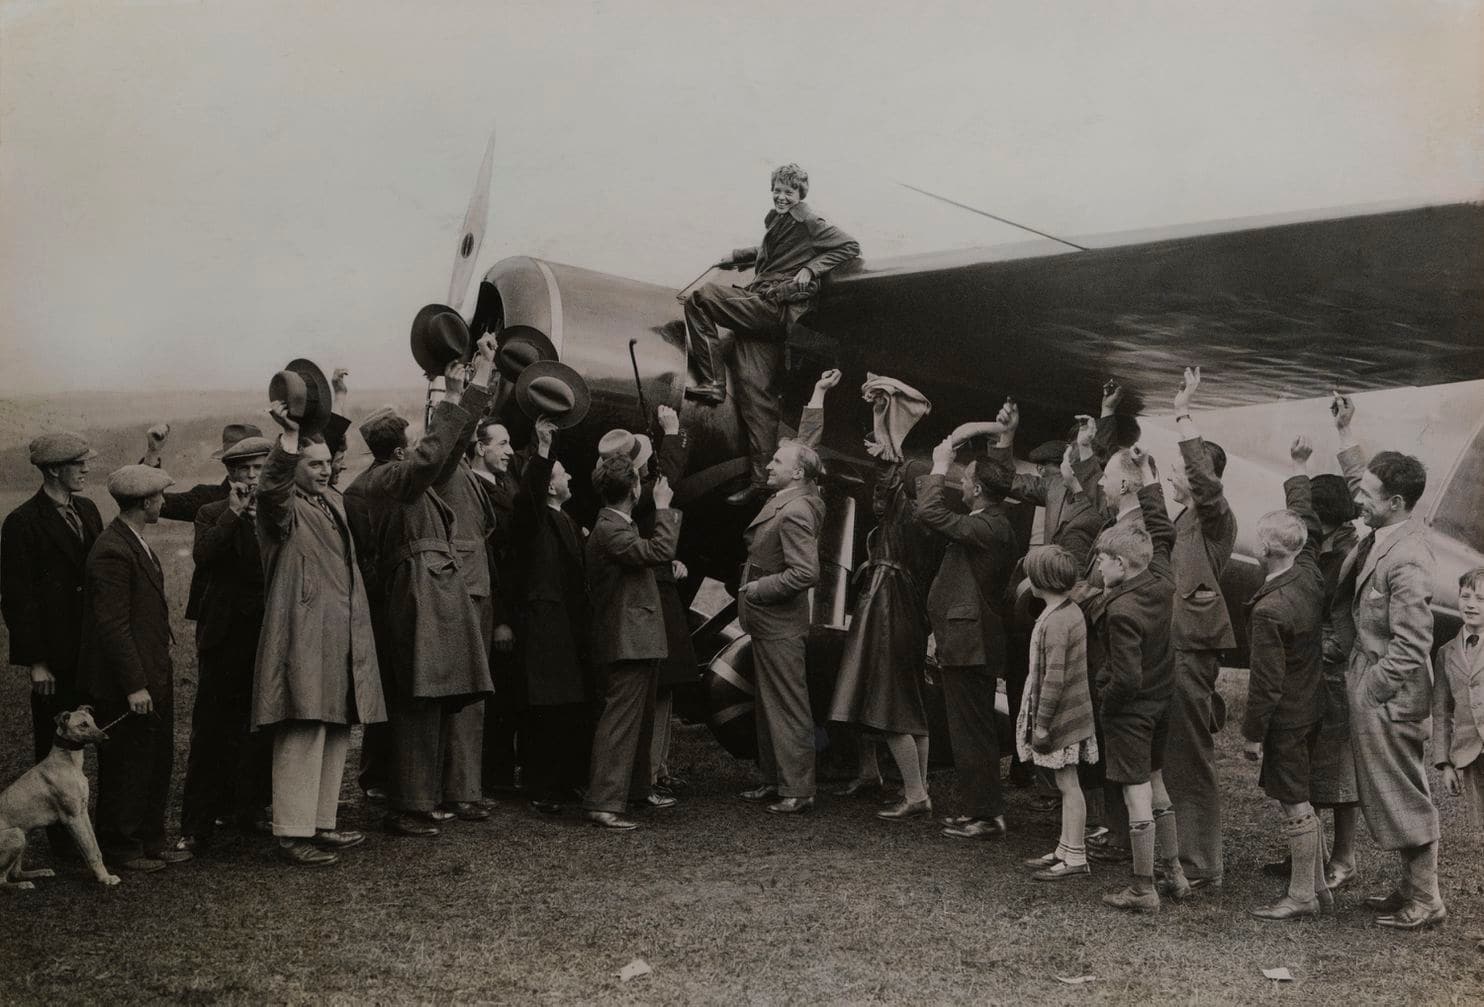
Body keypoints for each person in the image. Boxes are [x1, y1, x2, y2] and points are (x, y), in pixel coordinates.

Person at [345, 343, 498, 838]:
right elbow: (434, 454)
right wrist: (460, 391)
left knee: (428, 698)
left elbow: (447, 451)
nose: (417, 447)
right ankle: (409, 804)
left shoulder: (396, 477)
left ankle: (419, 798)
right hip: (416, 593)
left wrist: (472, 389)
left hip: (425, 590)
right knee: (417, 699)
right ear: (396, 449)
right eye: (411, 441)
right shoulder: (389, 478)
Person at [682, 163, 861, 505]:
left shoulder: (808, 218)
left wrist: (812, 269)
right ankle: (763, 481)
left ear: (800, 194)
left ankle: (712, 382)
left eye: (788, 192)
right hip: (765, 314)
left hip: (772, 305)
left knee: (702, 299)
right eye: (777, 190)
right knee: (756, 396)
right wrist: (738, 255)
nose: (781, 196)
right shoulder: (780, 218)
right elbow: (773, 253)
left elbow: (849, 246)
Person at [254, 399, 385, 867]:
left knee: (333, 726)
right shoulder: (280, 508)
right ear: (296, 467)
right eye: (315, 464)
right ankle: (292, 833)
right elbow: (270, 487)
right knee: (303, 726)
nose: (326, 471)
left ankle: (321, 822)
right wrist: (288, 439)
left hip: (340, 631)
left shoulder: (331, 501)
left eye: (329, 462)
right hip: (303, 633)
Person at [1331, 393, 1445, 930]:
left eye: (1371, 495)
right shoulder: (1387, 530)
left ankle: (1427, 900)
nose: (1360, 500)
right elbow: (1365, 482)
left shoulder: (1409, 558)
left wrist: (1371, 689)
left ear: (1396, 503)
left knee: (1402, 790)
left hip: (1390, 694)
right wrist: (1347, 435)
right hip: (1376, 685)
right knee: (1389, 788)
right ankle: (1410, 891)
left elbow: (1412, 644)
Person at [823, 370, 946, 819]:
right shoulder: (923, 515)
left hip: (888, 602)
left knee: (888, 698)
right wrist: (882, 417)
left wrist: (885, 422)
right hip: (900, 601)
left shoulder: (906, 512)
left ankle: (915, 794)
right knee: (903, 696)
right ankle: (911, 786)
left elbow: (889, 482)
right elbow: (890, 477)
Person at [1086, 448, 1189, 912]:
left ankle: (1143, 886)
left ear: (1123, 566)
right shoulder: (1160, 577)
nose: (1100, 566)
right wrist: (1149, 481)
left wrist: (1105, 704)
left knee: (1136, 796)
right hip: (1161, 703)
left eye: (1104, 560)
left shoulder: (1121, 610)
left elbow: (1125, 676)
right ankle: (1175, 872)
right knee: (1157, 783)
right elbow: (1163, 532)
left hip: (1131, 711)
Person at [76, 464, 192, 873]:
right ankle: (122, 848)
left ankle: (149, 840)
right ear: (146, 502)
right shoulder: (112, 549)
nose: (163, 502)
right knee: (127, 763)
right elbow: (112, 626)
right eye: (159, 497)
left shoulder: (131, 541)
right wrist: (135, 686)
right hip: (131, 683)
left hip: (151, 675)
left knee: (155, 758)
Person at [1154, 367, 1237, 892]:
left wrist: (1184, 412)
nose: (1175, 472)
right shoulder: (1186, 520)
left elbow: (1204, 484)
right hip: (1176, 644)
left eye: (1183, 467)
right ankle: (1182, 856)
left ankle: (1201, 863)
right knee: (1175, 751)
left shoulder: (1212, 516)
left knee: (1189, 753)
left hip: (1191, 646)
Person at [0, 433, 104, 859]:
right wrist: (37, 661)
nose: (85, 470)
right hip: (54, 656)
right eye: (78, 464)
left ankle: (97, 826)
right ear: (53, 470)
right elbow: (17, 597)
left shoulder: (90, 510)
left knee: (94, 732)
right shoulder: (21, 523)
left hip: (92, 650)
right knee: (55, 737)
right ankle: (64, 840)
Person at [1241, 437, 1330, 920]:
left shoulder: (1269, 610)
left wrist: (1254, 735)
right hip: (1311, 705)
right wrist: (1299, 467)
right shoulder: (1310, 572)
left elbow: (1265, 684)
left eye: (1258, 537)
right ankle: (1316, 887)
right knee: (1301, 795)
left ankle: (1300, 896)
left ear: (1269, 549)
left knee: (1294, 801)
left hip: (1287, 716)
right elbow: (1307, 521)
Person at [1262, 471, 1361, 887]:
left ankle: (1343, 858)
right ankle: (1311, 857)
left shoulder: (1348, 556)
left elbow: (1345, 621)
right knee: (1308, 765)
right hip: (1315, 667)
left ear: (1324, 518)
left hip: (1334, 668)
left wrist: (1320, 650)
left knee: (1337, 771)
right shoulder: (1323, 548)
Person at [176, 435, 274, 852]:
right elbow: (205, 556)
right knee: (212, 728)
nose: (252, 477)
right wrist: (234, 514)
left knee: (260, 724)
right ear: (230, 474)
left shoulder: (279, 512)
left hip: (268, 633)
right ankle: (196, 824)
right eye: (243, 470)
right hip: (223, 636)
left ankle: (250, 808)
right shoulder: (210, 512)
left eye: (258, 469)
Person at [915, 443, 1018, 838]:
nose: (962, 480)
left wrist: (939, 466)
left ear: (976, 489)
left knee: (972, 730)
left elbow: (928, 512)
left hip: (971, 643)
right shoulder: (988, 523)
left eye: (966, 477)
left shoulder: (989, 526)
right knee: (969, 730)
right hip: (967, 640)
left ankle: (987, 815)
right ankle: (980, 809)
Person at [595, 406, 695, 799]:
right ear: (634, 483)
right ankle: (644, 778)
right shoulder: (621, 518)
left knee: (654, 694)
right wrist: (672, 433)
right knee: (649, 698)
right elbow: (668, 487)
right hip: (641, 614)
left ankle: (650, 774)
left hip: (643, 606)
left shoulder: (614, 514)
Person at [583, 457, 682, 830]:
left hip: (635, 638)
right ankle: (603, 803)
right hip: (628, 640)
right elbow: (659, 552)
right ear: (634, 491)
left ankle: (633, 791)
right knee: (620, 723)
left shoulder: (613, 524)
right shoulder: (611, 530)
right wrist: (664, 508)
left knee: (635, 721)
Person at [737, 436, 827, 813]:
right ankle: (775, 780)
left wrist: (760, 588)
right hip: (768, 622)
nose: (768, 465)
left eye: (776, 461)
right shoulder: (790, 499)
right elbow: (808, 444)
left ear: (796, 473)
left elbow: (806, 572)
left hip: (778, 622)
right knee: (769, 704)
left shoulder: (796, 511)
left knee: (788, 705)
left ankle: (798, 790)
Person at [513, 417, 593, 813]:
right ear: (548, 483)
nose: (571, 476)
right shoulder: (535, 517)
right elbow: (528, 494)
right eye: (562, 473)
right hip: (545, 628)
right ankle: (541, 786)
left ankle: (562, 782)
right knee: (544, 707)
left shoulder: (567, 519)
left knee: (566, 707)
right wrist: (543, 452)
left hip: (568, 628)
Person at [1017, 545, 1098, 880]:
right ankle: (1065, 847)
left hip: (1062, 717)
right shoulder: (1067, 610)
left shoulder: (1057, 622)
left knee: (1068, 784)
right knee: (1067, 783)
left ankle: (1076, 856)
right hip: (1070, 714)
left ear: (1040, 582)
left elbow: (1054, 678)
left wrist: (1042, 723)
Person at [141, 421, 265, 624]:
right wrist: (153, 452)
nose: (252, 475)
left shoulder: (277, 502)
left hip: (266, 614)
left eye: (258, 466)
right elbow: (151, 501)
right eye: (244, 466)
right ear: (229, 467)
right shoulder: (206, 499)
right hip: (221, 621)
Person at [471, 415, 521, 796]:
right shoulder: (477, 491)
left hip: (513, 606)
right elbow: (493, 562)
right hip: (497, 609)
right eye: (501, 444)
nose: (509, 451)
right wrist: (501, 620)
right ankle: (492, 777)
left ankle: (500, 773)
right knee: (497, 695)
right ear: (480, 447)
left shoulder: (504, 483)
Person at [1434, 567, 1484, 831]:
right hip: (1472, 755)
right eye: (1466, 596)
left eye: (1481, 599)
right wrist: (1445, 764)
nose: (1471, 604)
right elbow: (1441, 712)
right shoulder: (1446, 653)